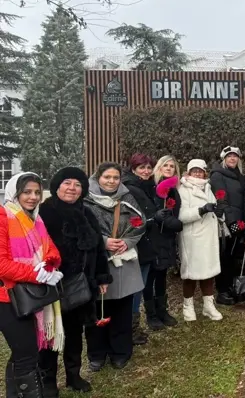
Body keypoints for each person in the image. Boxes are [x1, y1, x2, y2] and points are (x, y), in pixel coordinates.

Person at [38, 167, 112, 394]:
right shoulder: (44, 212)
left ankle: (73, 375)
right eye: (67, 183)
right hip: (51, 285)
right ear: (57, 186)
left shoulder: (86, 213)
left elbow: (99, 248)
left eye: (78, 184)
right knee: (51, 335)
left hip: (81, 285)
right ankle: (48, 381)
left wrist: (101, 276)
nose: (72, 188)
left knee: (74, 333)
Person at [0, 173, 63, 398]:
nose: (33, 197)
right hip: (6, 297)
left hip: (28, 295)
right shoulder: (3, 215)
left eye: (37, 192)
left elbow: (51, 249)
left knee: (23, 352)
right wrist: (39, 275)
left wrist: (51, 265)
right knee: (26, 354)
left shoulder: (35, 219)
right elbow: (1, 264)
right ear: (14, 192)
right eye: (27, 192)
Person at [84, 162, 145, 372]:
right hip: (97, 263)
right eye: (107, 177)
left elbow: (140, 223)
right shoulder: (86, 200)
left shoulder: (127, 198)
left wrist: (127, 242)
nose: (111, 181)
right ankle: (97, 354)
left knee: (122, 310)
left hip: (123, 260)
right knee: (97, 311)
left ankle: (121, 352)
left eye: (115, 178)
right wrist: (103, 241)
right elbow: (81, 227)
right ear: (98, 177)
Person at [177, 159, 224, 322]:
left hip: (209, 237)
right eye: (194, 170)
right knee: (191, 273)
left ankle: (208, 305)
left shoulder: (208, 187)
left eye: (200, 170)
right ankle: (187, 305)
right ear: (188, 172)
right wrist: (201, 210)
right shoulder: (183, 190)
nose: (198, 173)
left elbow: (213, 208)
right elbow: (181, 216)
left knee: (208, 272)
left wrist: (219, 212)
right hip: (192, 238)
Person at [121, 153, 157, 343]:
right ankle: (130, 328)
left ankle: (133, 326)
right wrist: (152, 219)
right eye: (142, 167)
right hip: (137, 243)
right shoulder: (131, 188)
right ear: (133, 169)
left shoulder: (148, 186)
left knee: (140, 285)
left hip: (148, 241)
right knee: (135, 287)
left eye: (149, 167)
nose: (146, 171)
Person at [145, 155, 182, 328]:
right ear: (158, 168)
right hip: (153, 237)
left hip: (167, 237)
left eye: (172, 166)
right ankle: (151, 314)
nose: (168, 168)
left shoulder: (173, 190)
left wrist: (173, 223)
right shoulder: (152, 187)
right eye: (165, 165)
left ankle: (162, 310)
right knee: (151, 276)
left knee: (162, 275)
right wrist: (163, 220)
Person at [210, 146, 245, 305]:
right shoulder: (218, 175)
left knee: (232, 257)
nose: (233, 158)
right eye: (229, 156)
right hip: (225, 222)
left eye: (235, 156)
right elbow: (221, 199)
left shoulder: (240, 176)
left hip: (239, 221)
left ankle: (231, 287)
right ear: (224, 159)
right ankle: (222, 291)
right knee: (224, 257)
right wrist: (231, 221)